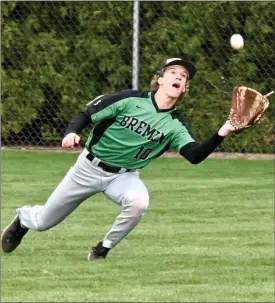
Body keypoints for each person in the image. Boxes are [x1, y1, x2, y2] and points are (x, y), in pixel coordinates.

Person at [1, 57, 235, 260]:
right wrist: (71, 132)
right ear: (160, 79)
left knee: (138, 203)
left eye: (183, 76)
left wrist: (222, 131)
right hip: (87, 169)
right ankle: (22, 220)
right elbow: (87, 113)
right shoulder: (130, 100)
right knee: (43, 222)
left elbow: (194, 155)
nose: (179, 77)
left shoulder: (175, 123)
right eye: (172, 72)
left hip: (124, 176)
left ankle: (102, 249)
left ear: (184, 88)